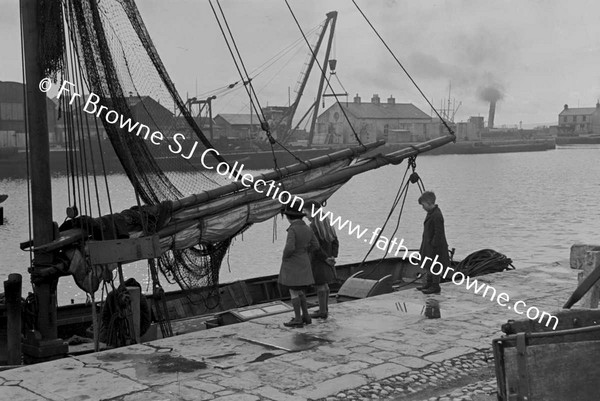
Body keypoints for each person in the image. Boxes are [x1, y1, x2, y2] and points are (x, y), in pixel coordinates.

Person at [279, 203, 319, 327]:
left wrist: (285, 256)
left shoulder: (293, 229)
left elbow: (290, 247)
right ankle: (306, 316)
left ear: (289, 216)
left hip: (293, 263)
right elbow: (316, 245)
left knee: (293, 291)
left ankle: (298, 318)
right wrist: (304, 252)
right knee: (300, 290)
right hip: (304, 261)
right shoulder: (308, 228)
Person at [303, 200, 339, 319]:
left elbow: (315, 247)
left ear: (312, 212)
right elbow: (335, 241)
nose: (305, 215)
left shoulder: (312, 227)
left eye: (306, 212)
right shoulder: (328, 222)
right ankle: (325, 308)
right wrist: (332, 256)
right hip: (328, 260)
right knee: (325, 285)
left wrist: (325, 259)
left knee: (320, 286)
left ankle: (322, 311)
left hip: (318, 261)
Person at [417, 191, 449, 295]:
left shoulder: (437, 215)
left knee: (434, 266)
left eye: (423, 205)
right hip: (428, 244)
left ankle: (435, 286)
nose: (423, 207)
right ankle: (429, 283)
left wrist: (434, 244)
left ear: (429, 202)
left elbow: (438, 232)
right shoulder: (431, 213)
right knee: (428, 265)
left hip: (435, 246)